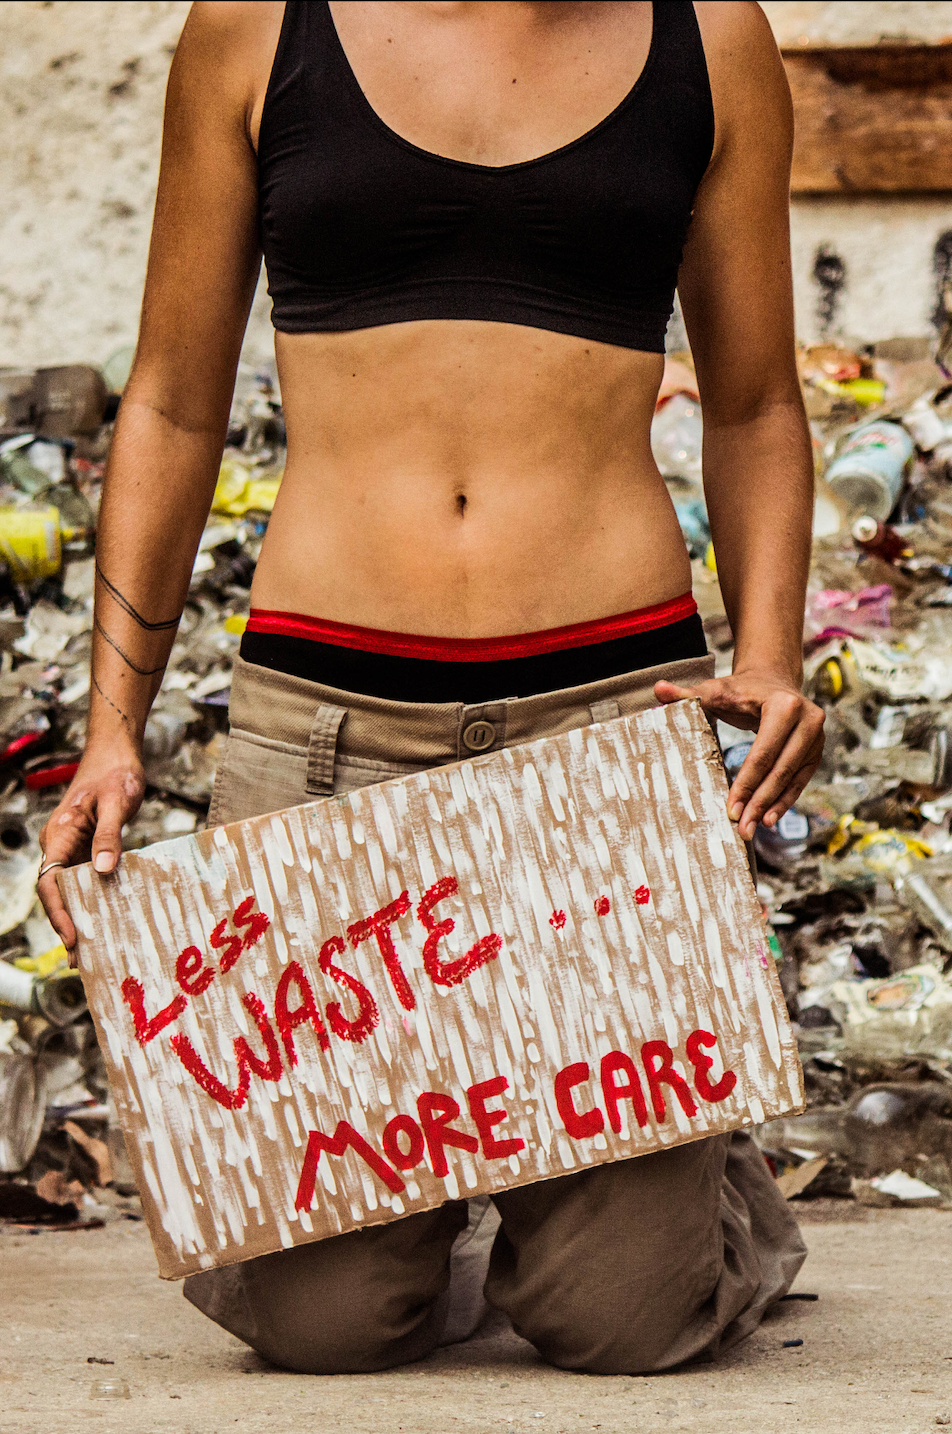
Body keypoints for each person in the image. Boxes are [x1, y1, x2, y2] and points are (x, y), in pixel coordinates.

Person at [37, 0, 822, 1376]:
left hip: (605, 731)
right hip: (326, 729)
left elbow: (755, 402)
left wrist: (767, 655)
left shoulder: (713, 40)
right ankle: (462, 1196)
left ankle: (693, 1191)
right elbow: (169, 397)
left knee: (625, 1319)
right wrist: (114, 732)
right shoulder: (253, 31)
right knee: (318, 1322)